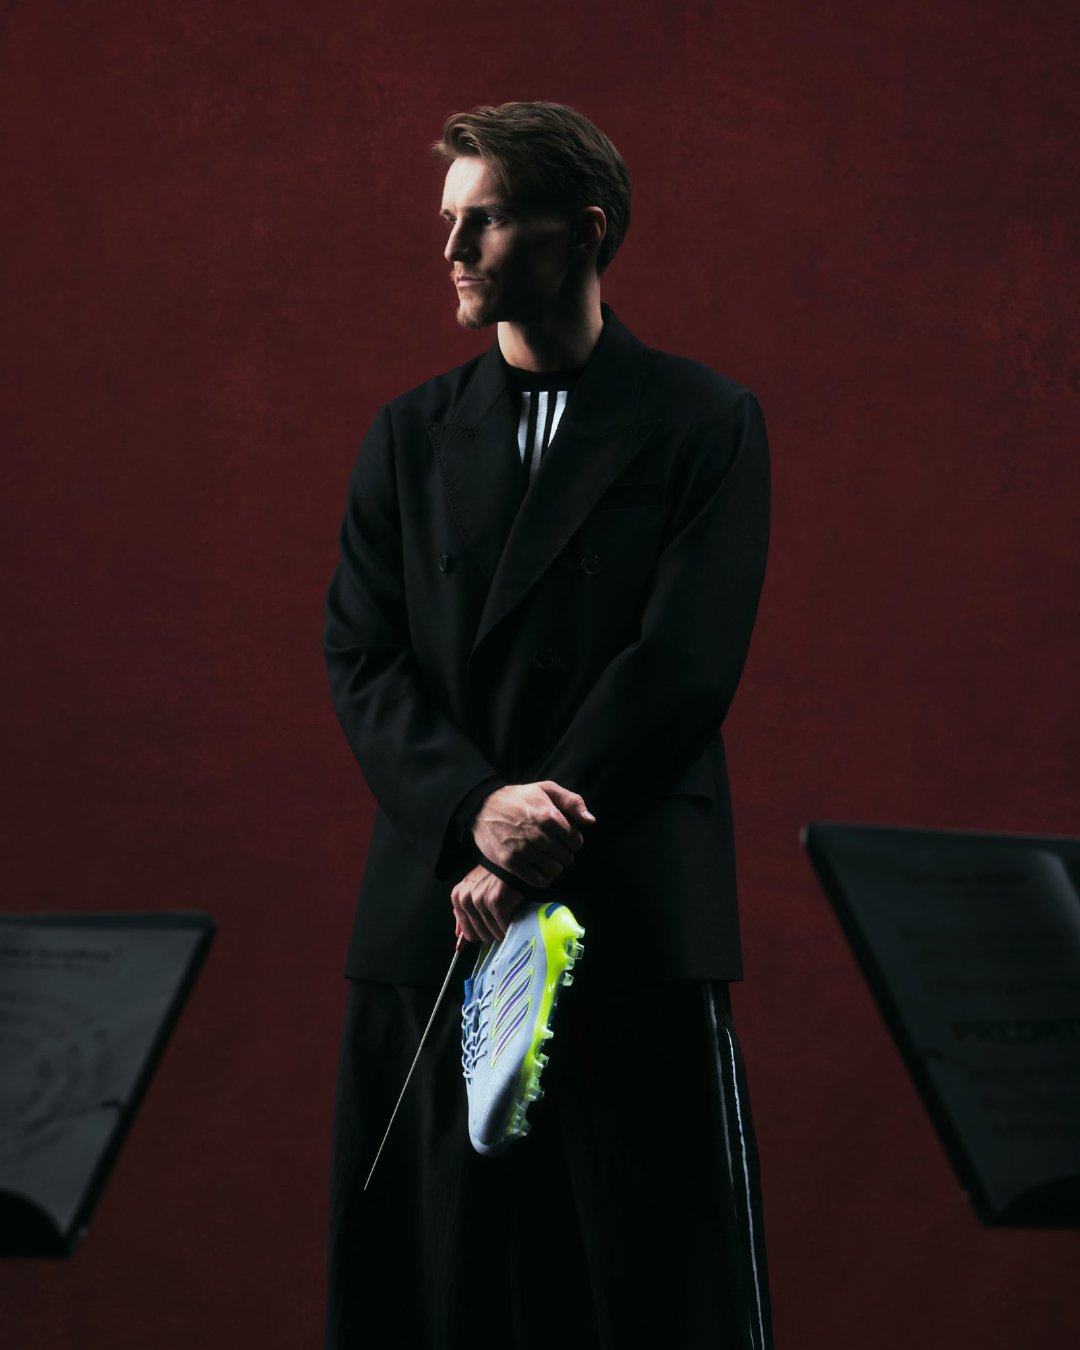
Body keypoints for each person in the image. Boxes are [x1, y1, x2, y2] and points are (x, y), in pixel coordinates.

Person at [323, 101, 773, 1350]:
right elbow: (361, 655)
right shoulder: (407, 435)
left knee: (639, 1291)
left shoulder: (703, 420)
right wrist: (476, 809)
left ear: (584, 231)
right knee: (435, 1295)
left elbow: (681, 664)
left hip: (626, 906)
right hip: (438, 912)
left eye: (485, 219)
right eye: (447, 220)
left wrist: (531, 837)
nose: (451, 249)